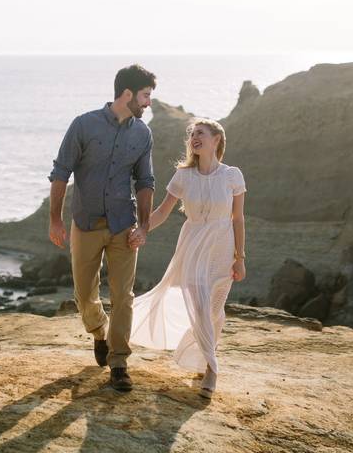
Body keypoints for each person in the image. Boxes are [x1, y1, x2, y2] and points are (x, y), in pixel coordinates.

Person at [47, 64, 156, 392]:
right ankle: (99, 331)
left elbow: (145, 181)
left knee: (123, 296)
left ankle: (119, 362)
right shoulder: (84, 125)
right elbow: (61, 172)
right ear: (127, 94)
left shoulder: (143, 134)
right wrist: (55, 219)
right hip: (86, 223)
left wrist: (145, 227)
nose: (148, 102)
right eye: (146, 96)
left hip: (125, 226)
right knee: (84, 294)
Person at [129, 118, 247, 399]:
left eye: (201, 133)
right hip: (193, 245)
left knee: (215, 309)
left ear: (216, 139)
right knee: (200, 304)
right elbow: (162, 211)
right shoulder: (183, 176)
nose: (195, 138)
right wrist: (141, 230)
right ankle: (212, 370)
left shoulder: (232, 175)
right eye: (192, 134)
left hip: (222, 246)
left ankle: (206, 355)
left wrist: (239, 257)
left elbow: (238, 218)